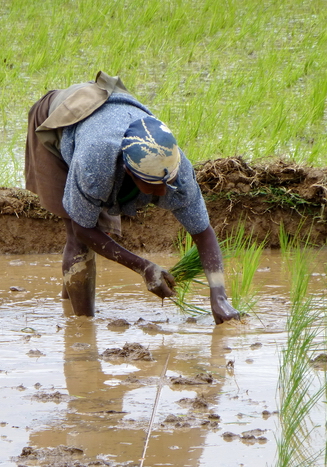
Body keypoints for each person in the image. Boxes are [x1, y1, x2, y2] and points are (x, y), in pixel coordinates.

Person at [25, 71, 239, 324]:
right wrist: (144, 267)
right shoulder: (95, 164)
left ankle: (70, 300)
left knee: (102, 228)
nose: (161, 193)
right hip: (61, 120)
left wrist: (219, 295)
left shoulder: (176, 170)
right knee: (77, 234)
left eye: (165, 183)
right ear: (127, 171)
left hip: (110, 117)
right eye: (150, 184)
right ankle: (82, 326)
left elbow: (203, 233)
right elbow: (83, 229)